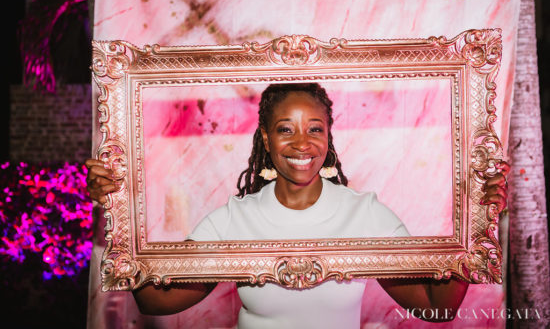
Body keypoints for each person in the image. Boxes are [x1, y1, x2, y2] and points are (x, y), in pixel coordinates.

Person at [86, 82, 509, 328]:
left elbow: (437, 306)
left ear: (328, 137)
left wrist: (480, 218)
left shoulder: (363, 214)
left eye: (315, 128)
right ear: (267, 140)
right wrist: (116, 207)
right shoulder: (236, 219)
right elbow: (152, 301)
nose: (302, 143)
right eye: (286, 129)